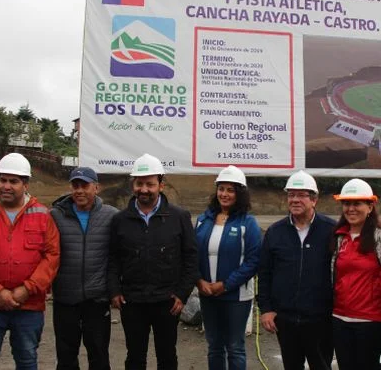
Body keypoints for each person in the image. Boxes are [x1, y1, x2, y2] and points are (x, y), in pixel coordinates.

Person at [0, 152, 60, 369]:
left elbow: (51, 257)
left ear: (25, 184)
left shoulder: (43, 216)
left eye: (13, 181)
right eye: (3, 180)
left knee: (26, 362)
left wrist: (27, 289)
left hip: (29, 306)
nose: (6, 186)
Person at [108, 153, 198, 370]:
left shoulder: (178, 217)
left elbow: (191, 256)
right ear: (133, 185)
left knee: (167, 355)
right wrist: (114, 291)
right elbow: (113, 258)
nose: (144, 189)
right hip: (132, 302)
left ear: (161, 185)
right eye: (140, 183)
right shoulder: (120, 220)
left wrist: (182, 293)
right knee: (135, 357)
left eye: (150, 184)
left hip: (167, 301)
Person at [257, 170, 336, 370]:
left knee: (321, 365)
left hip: (320, 319)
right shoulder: (275, 232)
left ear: (314, 200)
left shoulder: (331, 230)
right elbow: (265, 273)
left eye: (301, 195)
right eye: (291, 195)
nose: (294, 200)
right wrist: (266, 309)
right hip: (285, 320)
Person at [50, 167, 119, 370]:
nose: (79, 190)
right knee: (66, 356)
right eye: (75, 185)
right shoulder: (55, 216)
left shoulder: (111, 216)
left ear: (96, 187)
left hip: (96, 300)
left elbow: (118, 255)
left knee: (98, 355)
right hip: (65, 298)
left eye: (85, 185)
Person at [195, 165, 262, 370]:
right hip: (207, 293)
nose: (224, 194)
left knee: (235, 347)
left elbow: (253, 261)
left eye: (230, 190)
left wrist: (225, 285)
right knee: (214, 346)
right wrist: (199, 281)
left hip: (237, 297)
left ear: (239, 194)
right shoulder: (202, 220)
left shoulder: (248, 223)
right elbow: (191, 254)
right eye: (221, 189)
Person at [331, 179, 381, 370]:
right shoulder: (338, 237)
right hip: (340, 320)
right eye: (347, 204)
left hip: (372, 323)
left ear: (370, 206)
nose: (351, 209)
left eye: (357, 203)